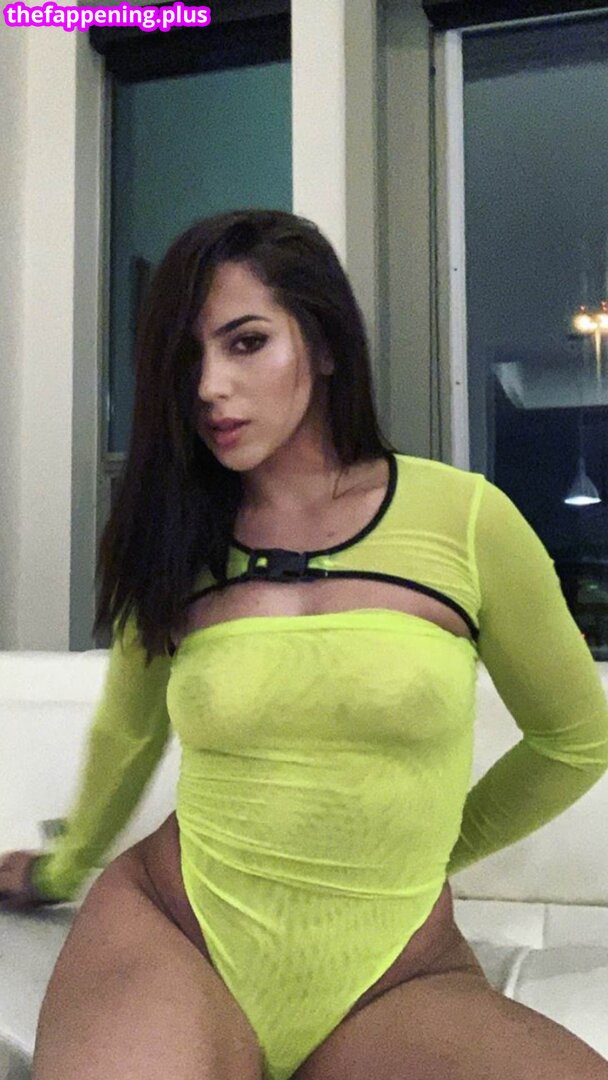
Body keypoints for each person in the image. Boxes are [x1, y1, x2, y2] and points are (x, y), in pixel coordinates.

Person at [1, 208, 608, 1080]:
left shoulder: (468, 520)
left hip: (393, 973)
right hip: (177, 932)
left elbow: (575, 740)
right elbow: (129, 732)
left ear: (321, 344)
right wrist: (59, 871)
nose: (209, 386)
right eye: (186, 359)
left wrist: (430, 852)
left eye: (246, 342)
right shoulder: (173, 538)